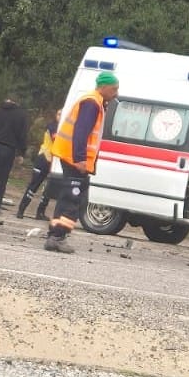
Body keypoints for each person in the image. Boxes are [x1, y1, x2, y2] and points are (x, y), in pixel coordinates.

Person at [44, 72, 120, 253]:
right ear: (103, 87)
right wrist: (80, 159)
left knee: (67, 197)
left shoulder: (95, 102)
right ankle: (58, 237)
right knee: (73, 198)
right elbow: (81, 132)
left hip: (69, 156)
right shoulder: (92, 103)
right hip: (74, 159)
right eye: (114, 89)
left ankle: (55, 234)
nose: (116, 93)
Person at [16, 110, 61, 220]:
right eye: (59, 114)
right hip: (43, 159)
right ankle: (21, 210)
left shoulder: (64, 129)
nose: (61, 116)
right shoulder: (52, 126)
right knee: (33, 186)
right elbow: (56, 139)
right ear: (56, 115)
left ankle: (40, 212)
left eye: (63, 114)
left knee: (48, 189)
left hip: (53, 162)